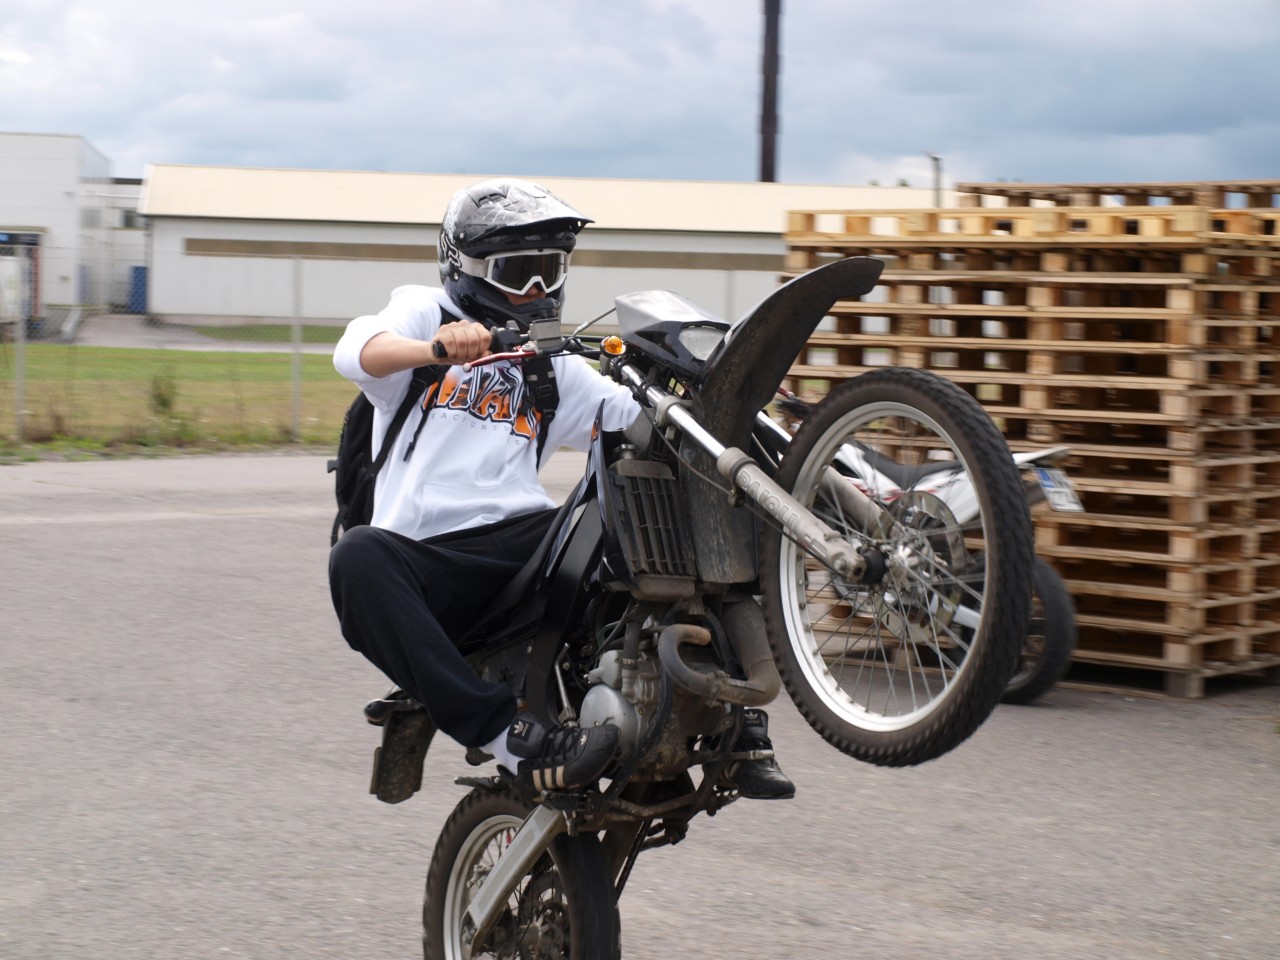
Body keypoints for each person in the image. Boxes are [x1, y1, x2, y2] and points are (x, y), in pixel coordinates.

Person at [329, 177, 794, 799]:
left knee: (661, 490)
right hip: (430, 562)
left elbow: (643, 425)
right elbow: (356, 351)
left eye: (549, 271)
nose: (536, 291)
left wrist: (720, 412)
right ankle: (510, 737)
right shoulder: (427, 312)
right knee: (356, 558)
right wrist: (435, 348)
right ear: (465, 267)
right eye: (517, 272)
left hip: (529, 549)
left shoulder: (549, 363)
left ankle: (734, 717)